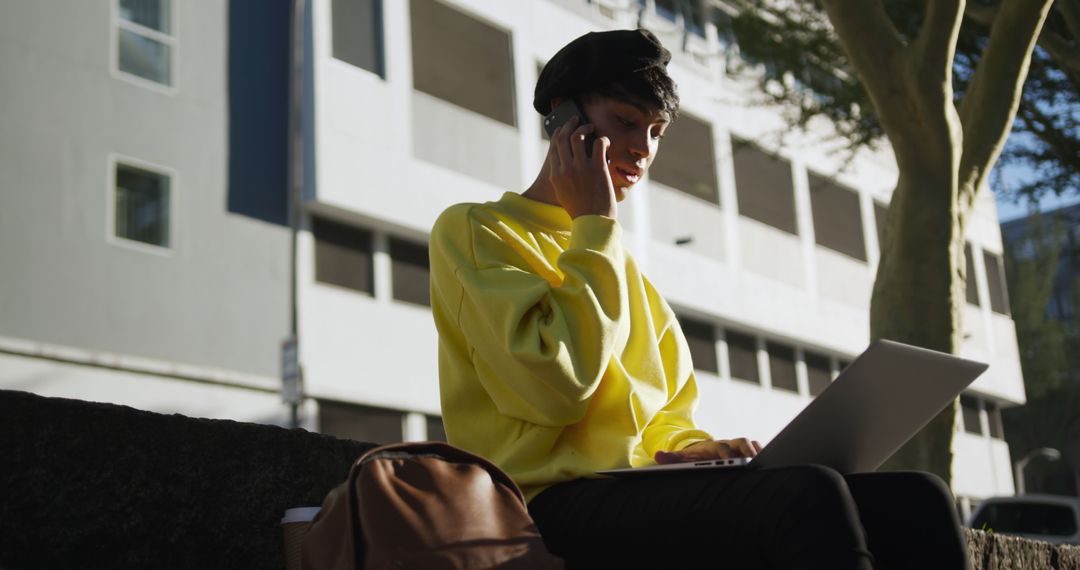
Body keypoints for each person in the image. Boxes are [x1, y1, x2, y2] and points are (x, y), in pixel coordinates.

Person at [429, 29, 970, 569]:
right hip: (539, 505)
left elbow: (662, 412)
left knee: (917, 497)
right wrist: (593, 225)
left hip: (638, 494)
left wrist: (692, 451)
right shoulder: (479, 231)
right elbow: (555, 388)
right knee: (806, 494)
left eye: (656, 131)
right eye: (624, 121)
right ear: (561, 115)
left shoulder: (623, 271)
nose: (643, 149)